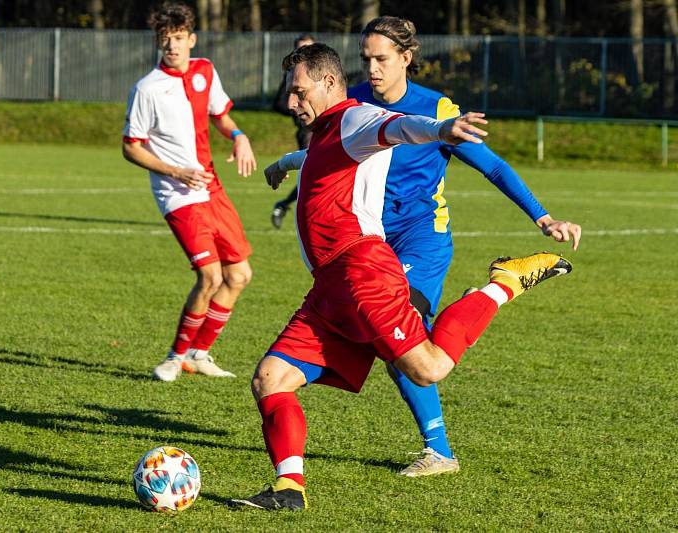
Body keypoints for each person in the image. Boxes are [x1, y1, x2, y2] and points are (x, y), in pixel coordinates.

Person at [226, 43, 572, 511]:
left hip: (364, 273)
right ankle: (289, 489)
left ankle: (504, 282)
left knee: (427, 367)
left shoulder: (354, 119)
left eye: (299, 90)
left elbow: (397, 126)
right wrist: (280, 164)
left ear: (329, 83)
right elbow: (313, 162)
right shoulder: (329, 132)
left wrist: (440, 129)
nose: (291, 101)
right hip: (330, 288)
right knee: (271, 378)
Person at [121, 3, 257, 382]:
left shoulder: (205, 71)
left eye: (179, 39)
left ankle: (199, 353)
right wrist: (176, 171)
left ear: (191, 39)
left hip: (212, 187)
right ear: (157, 43)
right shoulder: (147, 89)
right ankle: (175, 355)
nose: (173, 46)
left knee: (240, 275)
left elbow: (219, 115)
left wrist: (239, 136)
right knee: (210, 277)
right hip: (177, 195)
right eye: (165, 40)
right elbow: (131, 147)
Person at [270, 33, 315, 229]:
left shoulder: (322, 73)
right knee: (313, 172)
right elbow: (279, 103)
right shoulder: (292, 75)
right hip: (307, 132)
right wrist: (297, 109)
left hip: (322, 129)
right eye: (300, 48)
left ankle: (285, 205)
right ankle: (290, 208)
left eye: (308, 48)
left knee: (314, 174)